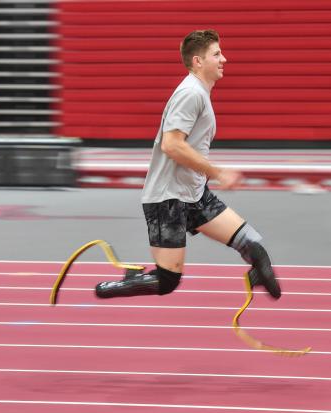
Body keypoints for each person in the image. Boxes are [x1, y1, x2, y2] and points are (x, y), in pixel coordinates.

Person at [94, 29, 281, 300]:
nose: (224, 59)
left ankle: (256, 274)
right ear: (197, 61)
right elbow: (172, 145)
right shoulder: (190, 93)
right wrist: (217, 172)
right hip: (168, 197)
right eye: (216, 54)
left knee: (254, 246)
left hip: (193, 193)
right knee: (168, 280)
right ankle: (121, 283)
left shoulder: (199, 93)